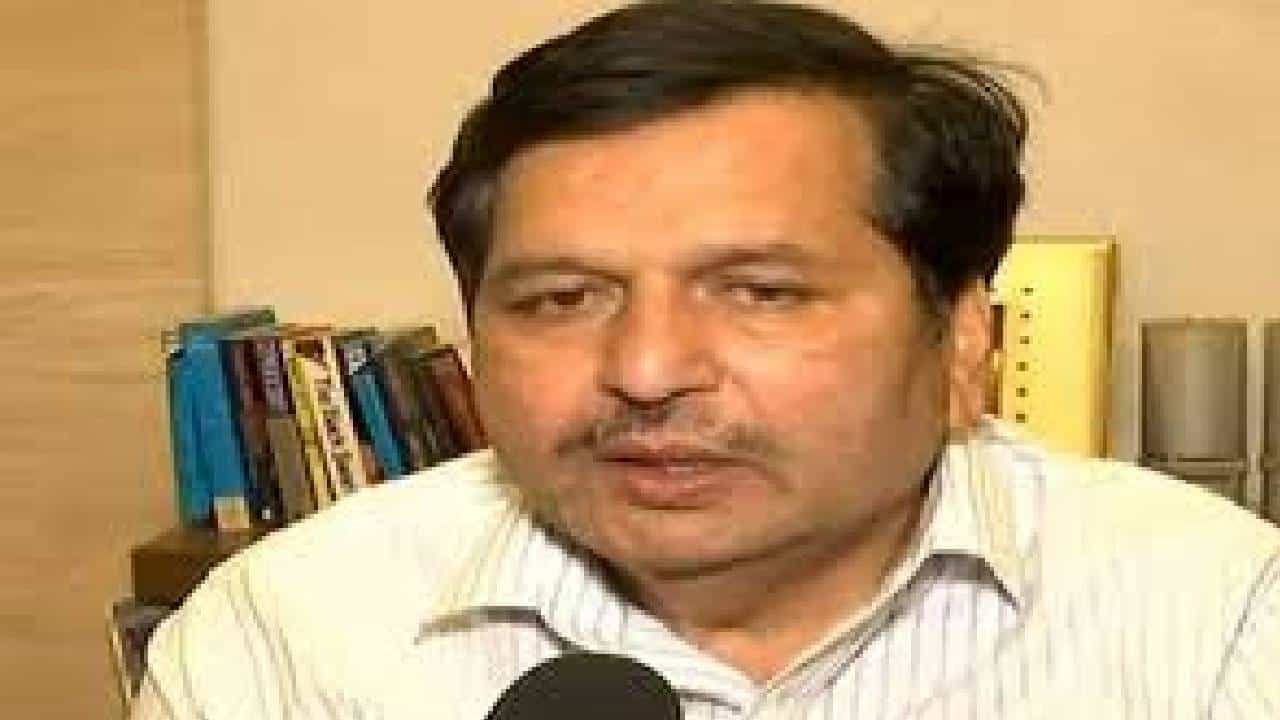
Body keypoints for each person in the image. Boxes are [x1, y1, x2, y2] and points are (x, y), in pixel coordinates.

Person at [132, 2, 1280, 718]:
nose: (645, 370)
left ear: (963, 336)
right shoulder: (290, 632)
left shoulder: (1212, 617)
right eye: (560, 299)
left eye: (760, 293)